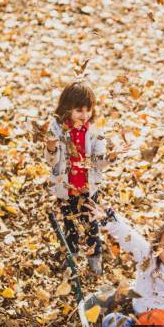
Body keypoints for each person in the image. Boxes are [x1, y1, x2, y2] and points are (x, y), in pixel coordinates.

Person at [43, 80, 107, 274]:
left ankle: (94, 256)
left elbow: (100, 162)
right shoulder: (57, 129)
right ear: (67, 109)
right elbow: (52, 162)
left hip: (87, 186)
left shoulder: (94, 132)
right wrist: (51, 148)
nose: (85, 115)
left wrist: (106, 159)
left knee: (90, 223)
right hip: (67, 186)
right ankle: (72, 253)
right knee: (69, 221)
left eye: (88, 110)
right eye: (79, 110)